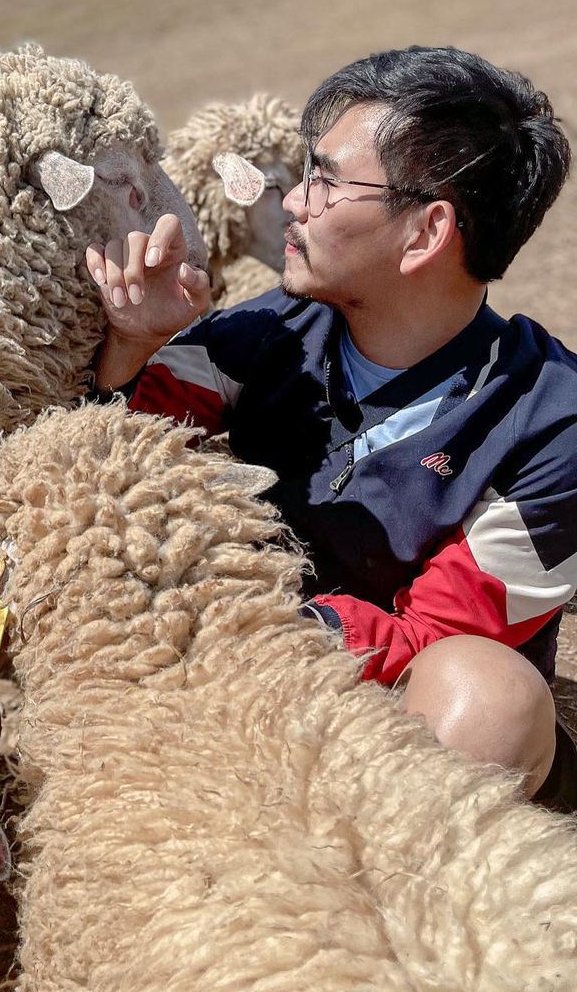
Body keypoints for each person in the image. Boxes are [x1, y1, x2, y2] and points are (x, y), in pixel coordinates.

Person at [86, 45, 577, 810]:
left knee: (488, 693)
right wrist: (133, 346)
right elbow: (108, 485)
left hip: (407, 747)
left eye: (324, 178)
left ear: (425, 232)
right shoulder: (255, 336)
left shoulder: (557, 424)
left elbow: (432, 641)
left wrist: (249, 619)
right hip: (237, 693)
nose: (292, 203)